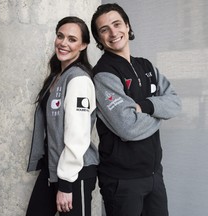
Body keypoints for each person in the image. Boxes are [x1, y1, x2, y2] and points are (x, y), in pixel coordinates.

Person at [90, 3, 182, 216]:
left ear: (127, 26)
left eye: (117, 24)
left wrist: (147, 106)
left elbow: (175, 103)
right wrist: (160, 113)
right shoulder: (103, 74)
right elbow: (128, 127)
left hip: (154, 175)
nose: (113, 32)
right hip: (122, 182)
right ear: (99, 39)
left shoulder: (146, 66)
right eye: (104, 29)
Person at [26, 16, 99, 216]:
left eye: (72, 39)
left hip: (75, 174)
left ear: (83, 45)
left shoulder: (79, 80)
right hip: (53, 168)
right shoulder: (57, 76)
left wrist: (66, 185)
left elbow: (78, 135)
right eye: (60, 36)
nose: (63, 43)